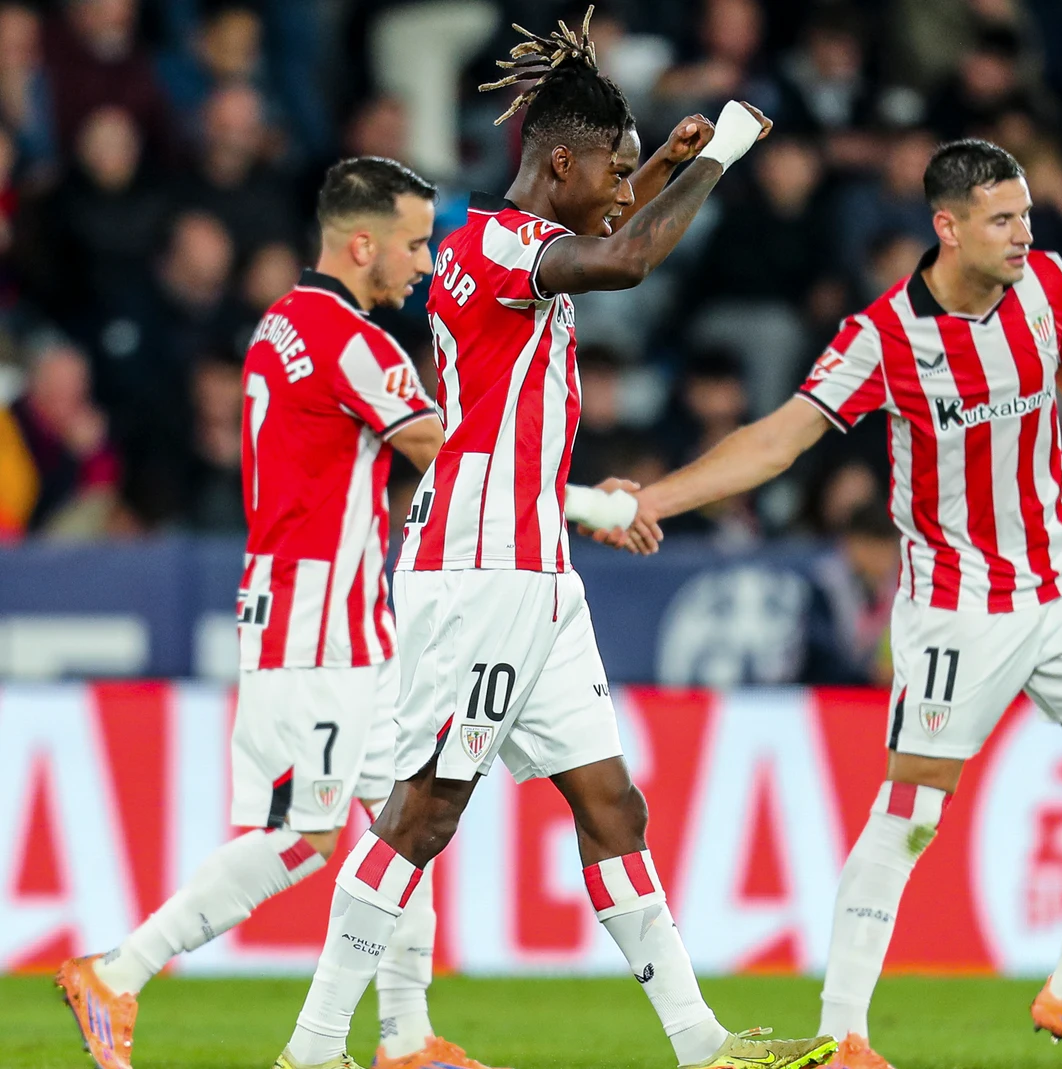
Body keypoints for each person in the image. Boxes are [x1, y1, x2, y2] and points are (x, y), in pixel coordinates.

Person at [270, 13, 834, 1069]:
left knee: (612, 804)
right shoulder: (491, 245)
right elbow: (623, 260)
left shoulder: (530, 244)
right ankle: (307, 1054)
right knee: (424, 814)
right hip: (481, 573)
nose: (623, 188)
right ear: (557, 162)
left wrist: (655, 163)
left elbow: (598, 253)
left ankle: (704, 1044)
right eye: (610, 169)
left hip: (535, 563)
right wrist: (712, 155)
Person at [627, 138, 1062, 1069]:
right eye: (1002, 219)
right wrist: (657, 497)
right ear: (947, 228)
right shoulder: (883, 339)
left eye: (1025, 214)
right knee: (911, 812)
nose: (1025, 233)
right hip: (958, 602)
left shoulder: (1048, 285)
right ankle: (843, 1032)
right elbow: (779, 440)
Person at [53, 156, 493, 1069]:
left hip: (346, 626)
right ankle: (119, 972)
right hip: (315, 629)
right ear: (361, 243)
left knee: (406, 824)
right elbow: (445, 449)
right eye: (415, 243)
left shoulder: (281, 324)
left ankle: (407, 1042)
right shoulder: (355, 345)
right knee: (305, 840)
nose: (424, 260)